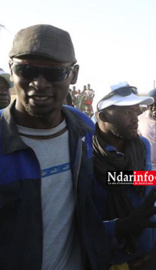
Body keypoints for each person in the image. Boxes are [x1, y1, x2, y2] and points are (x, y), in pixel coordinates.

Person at [0, 24, 109, 269]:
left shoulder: (82, 128)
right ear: (11, 70)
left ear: (74, 75)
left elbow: (103, 185)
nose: (38, 83)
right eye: (26, 70)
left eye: (54, 73)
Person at [91, 82, 156, 269]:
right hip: (114, 260)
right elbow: (82, 223)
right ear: (102, 116)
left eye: (136, 111)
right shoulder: (84, 154)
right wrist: (122, 226)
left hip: (152, 251)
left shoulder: (141, 145)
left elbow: (149, 183)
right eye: (127, 112)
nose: (136, 119)